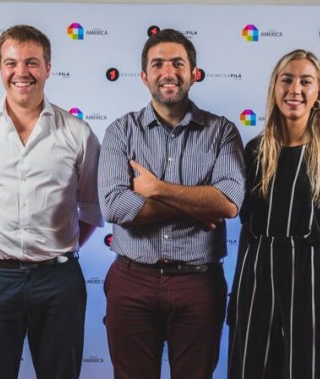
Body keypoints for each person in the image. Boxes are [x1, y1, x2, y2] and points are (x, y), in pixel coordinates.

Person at [0, 24, 102, 379]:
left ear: (48, 68)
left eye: (31, 62)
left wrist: (57, 250)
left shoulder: (77, 133)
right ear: (0, 68)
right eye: (11, 62)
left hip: (59, 281)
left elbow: (91, 210)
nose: (21, 72)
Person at [98, 29, 245, 379]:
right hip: (132, 281)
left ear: (194, 73)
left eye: (178, 63)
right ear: (144, 76)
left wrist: (156, 189)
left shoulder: (222, 132)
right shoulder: (121, 132)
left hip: (198, 285)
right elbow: (115, 208)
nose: (168, 72)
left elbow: (227, 203)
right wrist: (197, 203)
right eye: (158, 64)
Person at [227, 49, 320, 379]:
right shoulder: (255, 150)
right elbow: (248, 227)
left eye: (305, 81)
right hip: (257, 271)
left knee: (307, 368)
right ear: (274, 87)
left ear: (318, 93)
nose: (294, 89)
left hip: (311, 272)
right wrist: (236, 293)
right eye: (286, 80)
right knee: (249, 367)